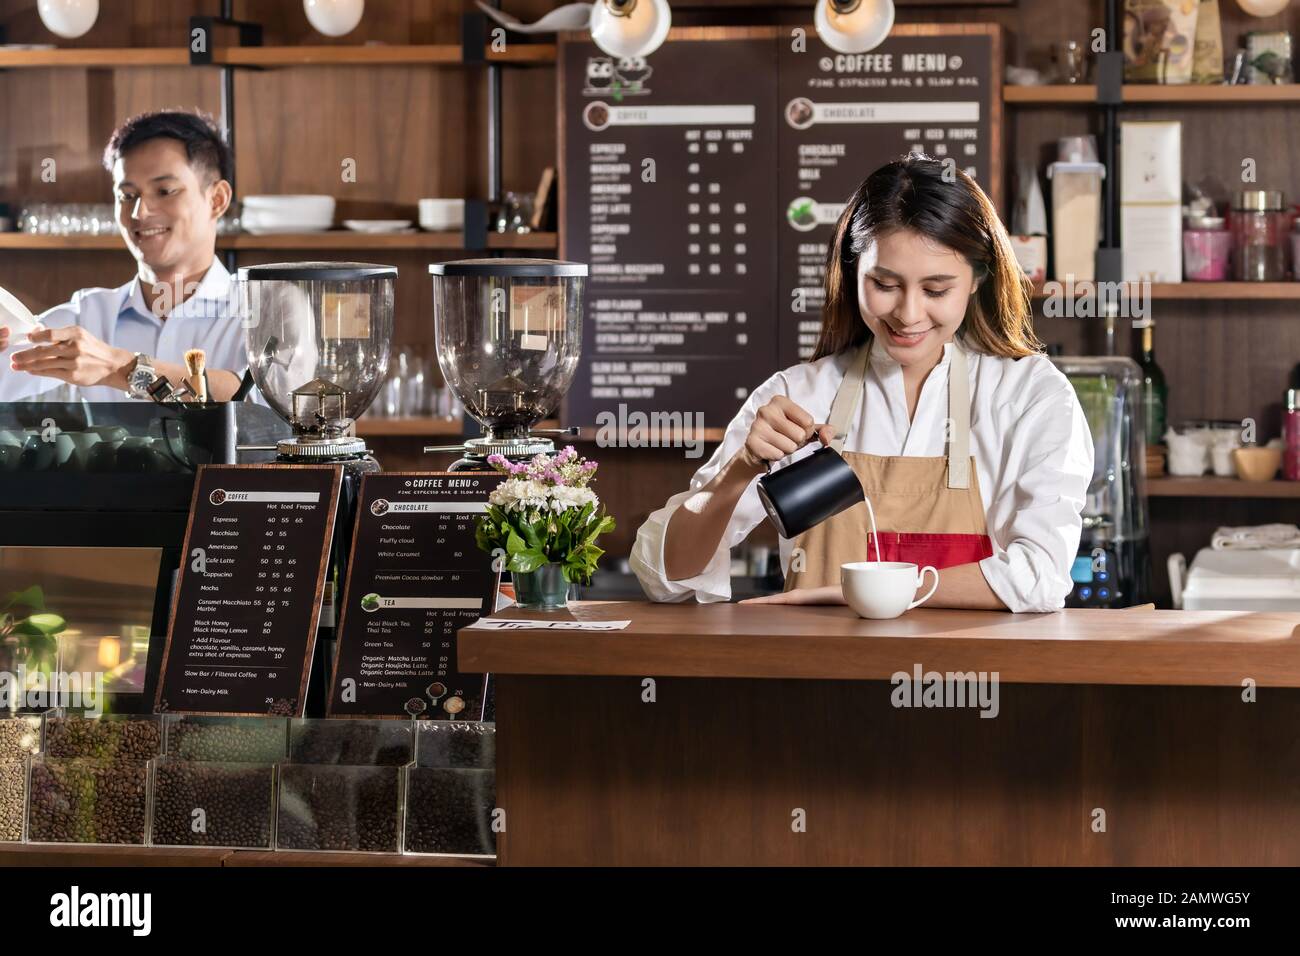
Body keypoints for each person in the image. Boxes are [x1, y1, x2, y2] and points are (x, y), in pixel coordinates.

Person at [630, 155, 1094, 613]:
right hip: (818, 678)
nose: (909, 314)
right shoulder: (798, 396)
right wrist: (739, 472)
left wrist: (856, 592)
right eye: (885, 284)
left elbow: (1040, 578)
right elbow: (665, 580)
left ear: (977, 279)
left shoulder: (1030, 395)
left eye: (936, 290)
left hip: (967, 679)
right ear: (853, 271)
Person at [0, 110, 248, 402]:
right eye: (127, 196)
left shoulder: (258, 313)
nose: (139, 212)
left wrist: (117, 368)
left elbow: (259, 404)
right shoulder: (86, 315)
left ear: (217, 199)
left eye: (165, 190)